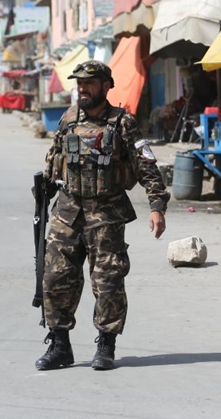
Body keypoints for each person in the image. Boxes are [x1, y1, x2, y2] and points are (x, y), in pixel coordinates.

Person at [37, 60, 169, 371]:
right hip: (67, 213)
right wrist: (44, 187)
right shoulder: (67, 120)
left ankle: (106, 345)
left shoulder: (122, 123)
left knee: (108, 282)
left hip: (106, 215)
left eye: (90, 83)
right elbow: (54, 159)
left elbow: (146, 164)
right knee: (56, 279)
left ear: (106, 86)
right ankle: (59, 346)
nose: (83, 89)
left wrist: (156, 205)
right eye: (80, 84)